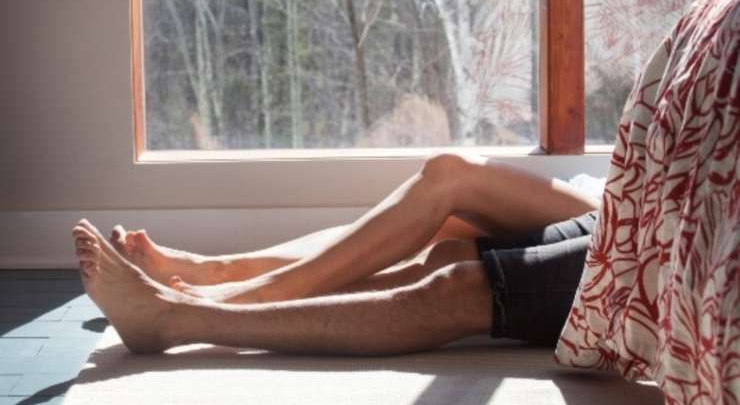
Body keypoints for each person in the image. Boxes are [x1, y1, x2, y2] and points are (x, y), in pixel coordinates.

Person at [72, 153, 599, 356]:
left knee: (451, 272)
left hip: (629, 226)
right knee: (446, 191)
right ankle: (220, 275)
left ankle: (196, 309)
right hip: (616, 202)